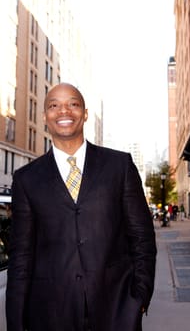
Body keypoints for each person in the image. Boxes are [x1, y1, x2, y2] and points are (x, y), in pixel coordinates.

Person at [6, 83, 156, 331]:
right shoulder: (26, 179)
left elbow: (142, 237)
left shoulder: (119, 166)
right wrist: (15, 322)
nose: (64, 111)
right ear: (45, 116)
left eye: (73, 104)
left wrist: (139, 298)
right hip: (48, 314)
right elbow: (21, 256)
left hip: (116, 312)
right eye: (54, 106)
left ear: (84, 113)